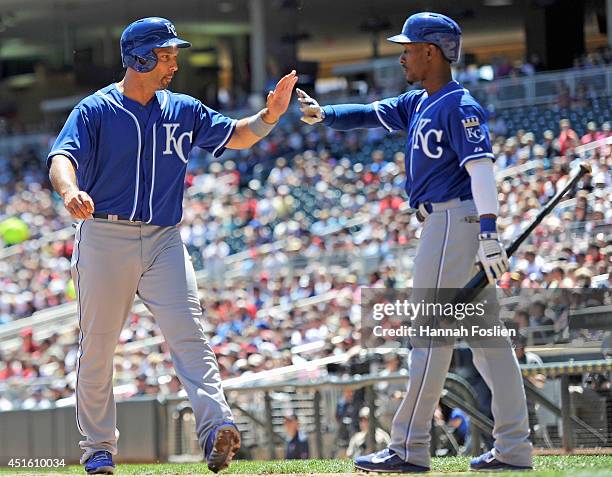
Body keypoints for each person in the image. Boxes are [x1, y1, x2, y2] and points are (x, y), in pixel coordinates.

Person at [47, 17, 297, 475]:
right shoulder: (95, 109)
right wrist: (68, 191)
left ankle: (215, 428)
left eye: (173, 54)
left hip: (165, 237)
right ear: (139, 58)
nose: (174, 63)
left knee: (190, 334)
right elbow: (62, 157)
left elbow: (236, 135)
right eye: (165, 55)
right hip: (105, 234)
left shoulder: (182, 108)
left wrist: (270, 116)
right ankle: (99, 448)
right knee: (98, 347)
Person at [297, 12, 532, 473]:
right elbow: (371, 113)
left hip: (453, 223)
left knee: (429, 337)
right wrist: (324, 114)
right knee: (488, 344)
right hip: (450, 224)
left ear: (431, 51)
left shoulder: (457, 104)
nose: (402, 54)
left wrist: (489, 231)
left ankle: (409, 446)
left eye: (408, 47)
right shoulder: (420, 101)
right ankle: (514, 448)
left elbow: (481, 168)